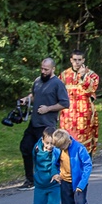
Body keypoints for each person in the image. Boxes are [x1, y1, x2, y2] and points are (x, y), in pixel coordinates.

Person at [18, 58, 69, 191]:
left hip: (47, 125)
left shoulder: (57, 84)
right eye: (42, 68)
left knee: (46, 153)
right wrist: (27, 99)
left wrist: (48, 108)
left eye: (46, 69)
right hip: (34, 123)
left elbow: (64, 103)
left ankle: (53, 177)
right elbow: (35, 95)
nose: (43, 71)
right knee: (25, 147)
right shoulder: (38, 81)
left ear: (53, 69)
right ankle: (30, 180)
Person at [50, 128, 92, 204]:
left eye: (62, 147)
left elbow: (87, 165)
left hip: (79, 183)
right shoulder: (57, 150)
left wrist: (82, 184)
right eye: (59, 148)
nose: (61, 150)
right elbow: (54, 164)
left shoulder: (79, 148)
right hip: (65, 182)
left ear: (68, 141)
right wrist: (55, 174)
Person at [59, 50, 100, 156]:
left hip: (84, 115)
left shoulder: (92, 75)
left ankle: (85, 168)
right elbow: (58, 91)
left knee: (84, 143)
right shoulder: (64, 75)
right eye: (75, 60)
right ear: (71, 60)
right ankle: (68, 168)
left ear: (83, 60)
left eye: (79, 60)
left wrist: (83, 76)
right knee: (66, 140)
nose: (77, 62)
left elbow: (92, 89)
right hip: (68, 115)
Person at [32, 128, 61, 204]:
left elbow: (55, 165)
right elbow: (34, 161)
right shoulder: (36, 149)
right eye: (47, 143)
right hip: (40, 184)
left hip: (54, 184)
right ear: (42, 140)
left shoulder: (56, 151)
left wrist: (57, 175)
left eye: (52, 143)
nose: (49, 146)